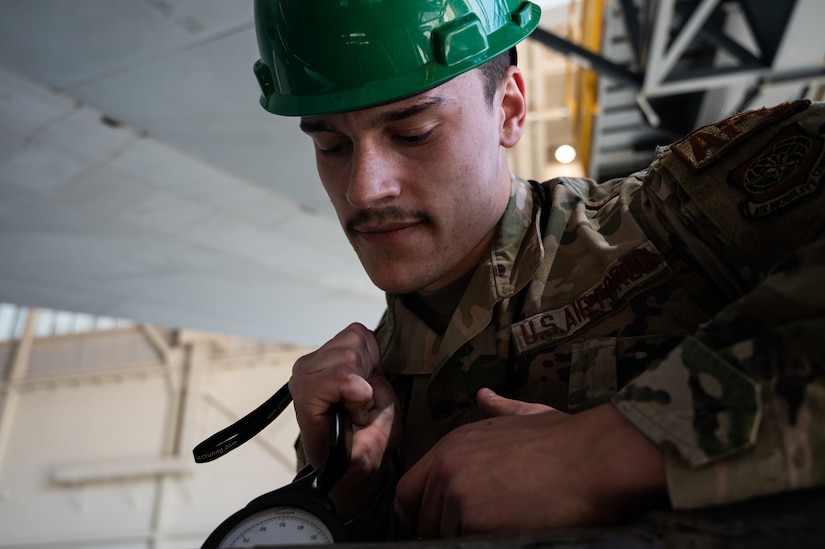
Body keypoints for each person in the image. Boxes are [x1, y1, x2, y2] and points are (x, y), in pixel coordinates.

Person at [252, 0, 825, 541]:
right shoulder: (356, 403)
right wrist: (346, 502)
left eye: (413, 134)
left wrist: (610, 449)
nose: (363, 189)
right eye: (331, 145)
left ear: (509, 109)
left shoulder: (673, 227)